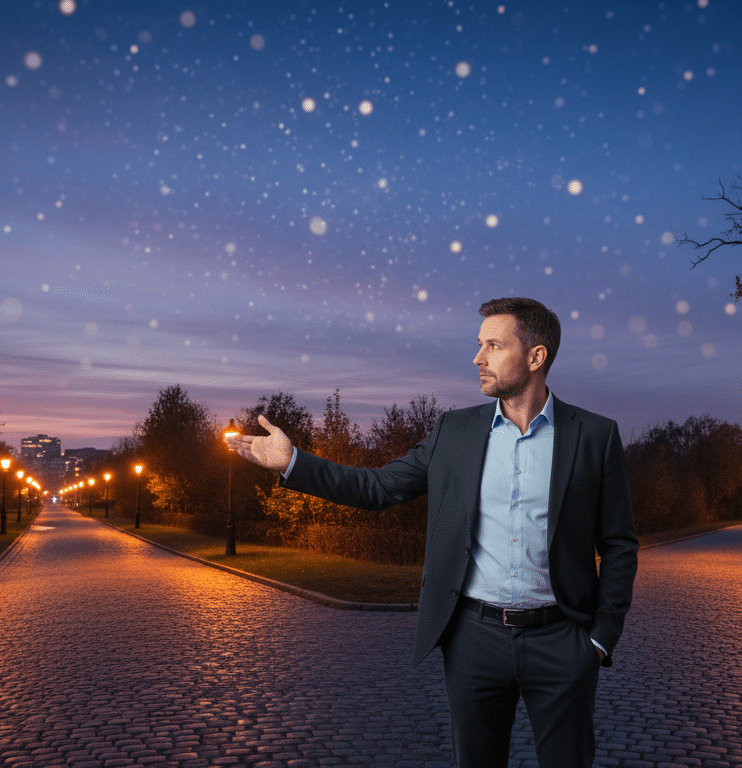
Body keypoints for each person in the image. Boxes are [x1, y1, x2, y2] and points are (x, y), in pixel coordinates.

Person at [228, 297, 638, 768]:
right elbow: (377, 486)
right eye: (478, 345)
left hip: (562, 640)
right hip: (474, 641)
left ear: (535, 356)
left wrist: (599, 639)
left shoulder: (595, 435)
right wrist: (294, 463)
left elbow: (620, 544)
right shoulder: (454, 431)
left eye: (493, 345)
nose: (477, 358)